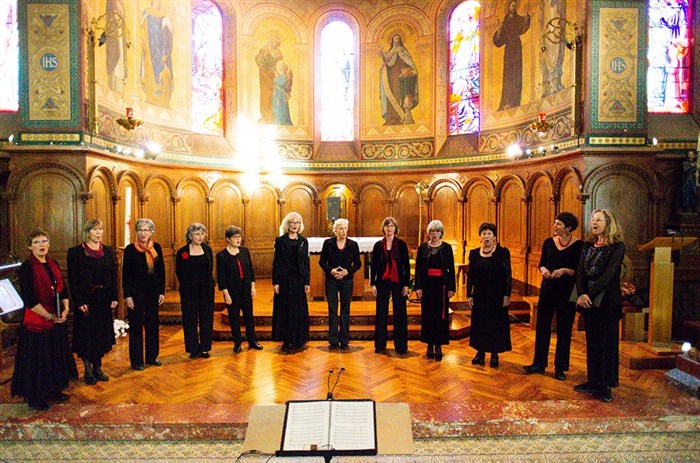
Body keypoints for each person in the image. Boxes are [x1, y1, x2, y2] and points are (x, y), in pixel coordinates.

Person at [11, 230, 77, 411]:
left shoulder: (53, 263)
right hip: (37, 320)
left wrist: (65, 308)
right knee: (39, 360)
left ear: (49, 243)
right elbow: (29, 299)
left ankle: (53, 389)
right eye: (37, 242)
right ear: (30, 246)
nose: (42, 245)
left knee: (54, 356)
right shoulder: (27, 267)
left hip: (56, 318)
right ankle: (35, 396)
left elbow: (63, 290)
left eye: (44, 241)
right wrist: (48, 316)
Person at [573, 209, 625, 403]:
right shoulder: (587, 245)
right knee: (593, 341)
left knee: (607, 343)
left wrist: (589, 294)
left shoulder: (617, 247)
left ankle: (606, 385)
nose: (594, 223)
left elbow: (609, 274)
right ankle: (593, 380)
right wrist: (581, 293)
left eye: (599, 220)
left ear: (608, 223)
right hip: (588, 300)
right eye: (593, 219)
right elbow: (580, 271)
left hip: (607, 301)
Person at [523, 212, 583, 380]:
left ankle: (560, 367)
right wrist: (544, 271)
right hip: (548, 289)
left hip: (566, 292)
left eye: (558, 224)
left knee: (564, 329)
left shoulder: (579, 245)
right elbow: (542, 263)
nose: (554, 226)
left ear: (568, 228)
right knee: (542, 326)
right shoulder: (549, 242)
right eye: (555, 223)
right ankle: (539, 363)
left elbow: (579, 270)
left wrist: (564, 270)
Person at [67, 219, 118, 385]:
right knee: (86, 335)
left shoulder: (108, 251)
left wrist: (114, 297)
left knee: (100, 335)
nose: (98, 232)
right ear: (87, 232)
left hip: (103, 299)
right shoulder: (76, 252)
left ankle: (98, 368)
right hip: (86, 300)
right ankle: (88, 370)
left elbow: (113, 276)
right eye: (95, 229)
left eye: (100, 229)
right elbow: (73, 280)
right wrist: (79, 301)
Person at [466, 222, 512, 367]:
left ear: (494, 236)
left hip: (497, 295)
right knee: (480, 324)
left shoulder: (502, 252)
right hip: (480, 294)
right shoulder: (474, 253)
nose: (486, 236)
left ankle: (494, 354)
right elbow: (470, 276)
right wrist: (469, 294)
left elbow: (508, 275)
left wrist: (507, 295)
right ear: (480, 237)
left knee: (495, 324)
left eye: (489, 233)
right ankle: (480, 353)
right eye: (484, 233)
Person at [122, 218, 165, 371]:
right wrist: (127, 296)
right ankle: (136, 361)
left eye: (146, 230)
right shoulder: (130, 249)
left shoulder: (156, 248)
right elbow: (125, 274)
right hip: (136, 294)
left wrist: (161, 291)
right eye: (140, 230)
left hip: (153, 292)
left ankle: (152, 357)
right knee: (136, 326)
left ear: (151, 232)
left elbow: (161, 271)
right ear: (136, 232)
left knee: (152, 325)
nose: (143, 233)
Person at [217, 225, 263, 353]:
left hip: (246, 288)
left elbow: (251, 271)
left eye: (239, 236)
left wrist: (253, 287)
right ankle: (237, 342)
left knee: (249, 316)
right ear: (228, 239)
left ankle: (252, 341)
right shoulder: (222, 255)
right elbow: (221, 277)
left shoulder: (244, 251)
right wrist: (226, 294)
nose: (238, 239)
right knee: (234, 318)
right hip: (232, 291)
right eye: (235, 237)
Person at [414, 220, 456, 361]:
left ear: (441, 233)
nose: (434, 234)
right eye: (432, 231)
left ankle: (438, 345)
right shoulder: (422, 248)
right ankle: (429, 344)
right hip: (427, 286)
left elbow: (451, 269)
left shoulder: (447, 248)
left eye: (437, 231)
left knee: (440, 316)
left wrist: (452, 287)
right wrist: (418, 287)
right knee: (428, 315)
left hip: (441, 287)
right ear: (428, 233)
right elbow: (418, 270)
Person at [318, 218, 362, 350]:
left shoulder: (353, 245)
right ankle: (333, 340)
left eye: (345, 228)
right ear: (335, 230)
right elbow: (322, 262)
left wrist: (347, 272)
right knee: (332, 309)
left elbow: (358, 263)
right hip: (331, 280)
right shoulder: (328, 243)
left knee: (345, 309)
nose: (344, 231)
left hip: (346, 280)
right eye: (341, 228)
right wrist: (331, 271)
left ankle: (344, 340)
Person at [371, 217, 411, 354]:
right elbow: (374, 265)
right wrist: (373, 283)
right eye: (387, 226)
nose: (389, 228)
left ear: (395, 228)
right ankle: (380, 345)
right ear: (383, 228)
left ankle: (401, 346)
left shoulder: (402, 244)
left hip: (398, 281)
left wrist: (406, 284)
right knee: (381, 312)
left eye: (392, 226)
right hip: (382, 282)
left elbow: (406, 265)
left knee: (400, 312)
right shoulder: (378, 245)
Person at [271, 212, 310, 352]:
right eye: (292, 222)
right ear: (287, 224)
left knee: (299, 310)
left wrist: (307, 282)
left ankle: (299, 339)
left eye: (297, 222)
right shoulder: (280, 240)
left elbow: (306, 262)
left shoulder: (304, 241)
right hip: (285, 279)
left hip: (299, 279)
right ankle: (287, 340)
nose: (295, 225)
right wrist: (276, 282)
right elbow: (276, 262)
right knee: (286, 309)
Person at [176, 223, 215, 359]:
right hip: (189, 291)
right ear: (190, 236)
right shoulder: (182, 252)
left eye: (202, 234)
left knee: (206, 318)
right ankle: (193, 348)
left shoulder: (207, 249)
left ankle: (205, 348)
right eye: (197, 234)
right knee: (190, 319)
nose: (200, 236)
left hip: (206, 289)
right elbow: (179, 271)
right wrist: (188, 285)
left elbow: (210, 269)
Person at [493, 0, 531, 110]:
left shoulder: (518, 19)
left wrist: (526, 16)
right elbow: (498, 41)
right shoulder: (505, 22)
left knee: (516, 73)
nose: (514, 7)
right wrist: (499, 29)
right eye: (512, 5)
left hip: (517, 48)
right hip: (509, 49)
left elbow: (524, 27)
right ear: (508, 7)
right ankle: (506, 101)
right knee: (508, 75)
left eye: (515, 6)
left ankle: (515, 101)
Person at [379, 34, 419, 125]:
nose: (397, 40)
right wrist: (384, 59)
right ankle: (392, 118)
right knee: (392, 95)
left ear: (400, 40)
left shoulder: (403, 51)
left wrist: (408, 71)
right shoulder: (390, 52)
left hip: (402, 79)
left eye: (398, 39)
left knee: (401, 95)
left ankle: (403, 117)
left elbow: (409, 64)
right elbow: (387, 65)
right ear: (392, 41)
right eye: (395, 39)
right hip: (391, 79)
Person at [255, 35, 283, 123]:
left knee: (273, 95)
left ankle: (272, 116)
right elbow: (258, 60)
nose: (276, 45)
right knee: (265, 95)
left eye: (277, 44)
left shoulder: (279, 53)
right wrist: (264, 56)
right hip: (264, 76)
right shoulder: (264, 50)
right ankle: (265, 116)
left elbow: (280, 65)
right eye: (275, 42)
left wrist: (275, 70)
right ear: (271, 41)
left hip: (274, 76)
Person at [273, 60, 293, 125]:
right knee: (276, 107)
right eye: (279, 66)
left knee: (281, 107)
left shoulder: (283, 75)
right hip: (277, 94)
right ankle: (278, 120)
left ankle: (282, 121)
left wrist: (276, 78)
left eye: (281, 66)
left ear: (284, 68)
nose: (280, 68)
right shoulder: (280, 75)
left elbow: (281, 83)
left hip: (281, 94)